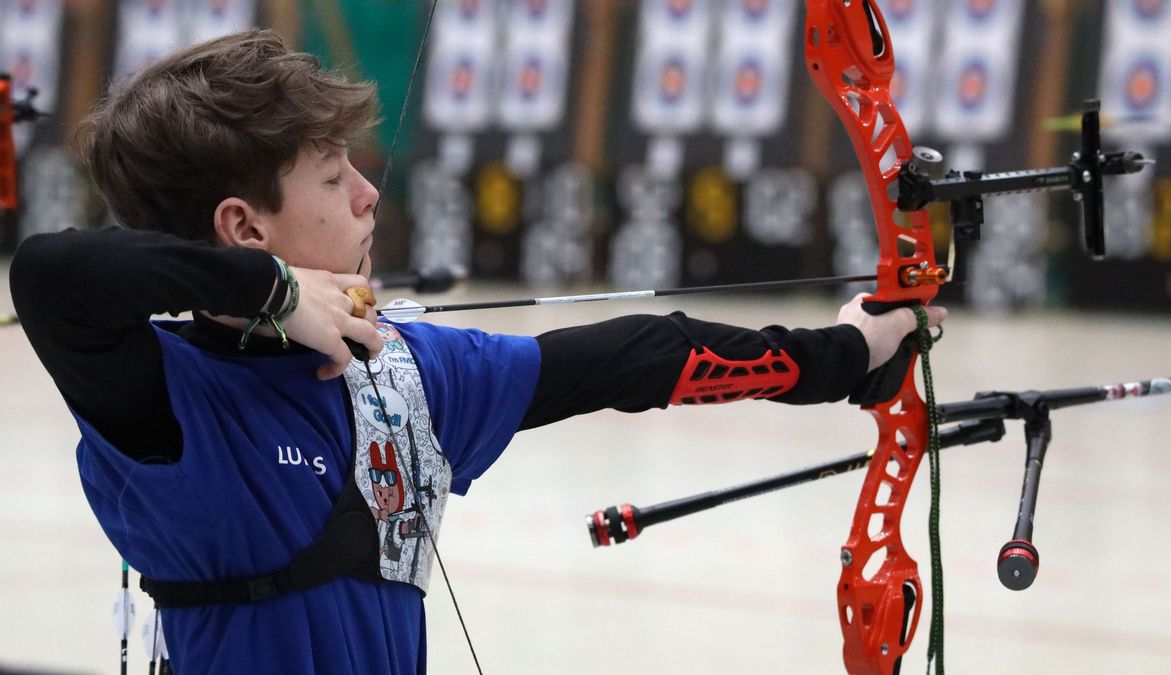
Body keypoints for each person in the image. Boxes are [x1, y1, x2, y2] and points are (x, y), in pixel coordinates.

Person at [9, 29, 945, 675]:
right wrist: (275, 295)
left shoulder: (402, 371)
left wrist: (843, 353)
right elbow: (52, 274)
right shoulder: (164, 398)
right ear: (243, 226)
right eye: (335, 178)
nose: (370, 196)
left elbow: (627, 357)